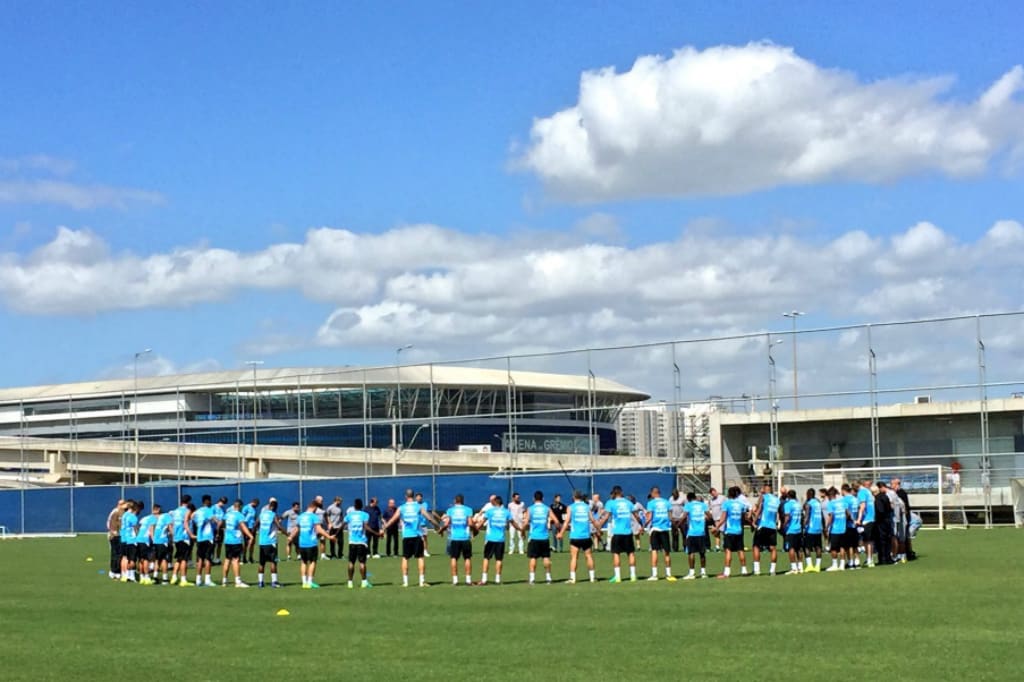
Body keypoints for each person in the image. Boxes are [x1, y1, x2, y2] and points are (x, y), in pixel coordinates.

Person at [382, 489, 439, 587]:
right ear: (413, 496)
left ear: (406, 496)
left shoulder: (401, 508)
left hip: (407, 536)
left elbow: (392, 520)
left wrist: (384, 528)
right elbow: (429, 517)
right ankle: (422, 582)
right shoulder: (418, 506)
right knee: (420, 557)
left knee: (405, 558)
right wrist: (437, 525)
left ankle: (406, 582)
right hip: (417, 535)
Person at [596, 485, 640, 583]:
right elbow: (637, 516)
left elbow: (606, 517)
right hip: (628, 532)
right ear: (621, 492)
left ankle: (618, 576)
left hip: (617, 533)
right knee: (631, 554)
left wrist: (599, 526)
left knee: (616, 554)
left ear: (614, 493)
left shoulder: (610, 503)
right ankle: (633, 576)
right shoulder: (628, 503)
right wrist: (642, 526)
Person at [558, 489, 598, 584]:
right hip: (586, 536)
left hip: (575, 536)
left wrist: (561, 533)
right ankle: (592, 577)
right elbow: (592, 519)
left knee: (574, 557)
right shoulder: (586, 507)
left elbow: (567, 521)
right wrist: (598, 529)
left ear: (573, 497)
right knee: (589, 556)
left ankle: (573, 578)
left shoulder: (570, 507)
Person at [290, 500, 332, 589]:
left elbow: (297, 529)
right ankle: (310, 582)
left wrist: (290, 537)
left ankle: (304, 582)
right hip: (311, 543)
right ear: (315, 507)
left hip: (302, 543)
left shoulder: (300, 516)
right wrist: (329, 536)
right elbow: (319, 529)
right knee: (313, 562)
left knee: (303, 562)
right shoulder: (314, 517)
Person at [476, 495, 517, 585]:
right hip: (500, 539)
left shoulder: (490, 511)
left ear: (495, 502)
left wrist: (475, 530)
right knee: (499, 559)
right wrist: (521, 530)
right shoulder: (506, 512)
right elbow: (513, 523)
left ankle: (484, 579)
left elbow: (481, 523)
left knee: (486, 558)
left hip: (490, 538)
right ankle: (497, 579)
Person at [440, 494, 475, 586]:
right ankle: (468, 580)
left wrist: (441, 530)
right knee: (467, 558)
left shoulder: (450, 510)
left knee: (454, 558)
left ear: (455, 501)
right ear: (463, 501)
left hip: (454, 538)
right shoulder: (468, 509)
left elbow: (447, 523)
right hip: (465, 537)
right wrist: (475, 530)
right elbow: (471, 524)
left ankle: (455, 580)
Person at [714, 486, 749, 578]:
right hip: (739, 530)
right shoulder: (741, 504)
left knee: (728, 551)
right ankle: (744, 570)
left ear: (729, 494)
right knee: (740, 550)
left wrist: (716, 527)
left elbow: (723, 518)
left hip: (729, 531)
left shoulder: (727, 504)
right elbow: (744, 518)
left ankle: (726, 573)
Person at [525, 490, 559, 585]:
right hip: (544, 537)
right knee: (546, 557)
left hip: (534, 537)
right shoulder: (547, 508)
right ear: (543, 499)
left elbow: (526, 522)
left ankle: (532, 579)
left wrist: (522, 531)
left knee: (533, 558)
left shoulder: (530, 509)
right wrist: (559, 531)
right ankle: (548, 577)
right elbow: (556, 520)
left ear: (533, 499)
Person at [344, 498, 377, 589]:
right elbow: (366, 526)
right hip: (361, 542)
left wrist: (334, 534)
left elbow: (343, 525)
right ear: (361, 506)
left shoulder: (349, 515)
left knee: (351, 562)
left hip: (352, 542)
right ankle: (364, 582)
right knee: (362, 562)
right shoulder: (365, 515)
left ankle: (350, 582)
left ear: (354, 506)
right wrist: (376, 533)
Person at [221, 499, 254, 587]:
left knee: (227, 559)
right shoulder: (239, 515)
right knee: (236, 560)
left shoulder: (227, 514)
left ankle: (224, 581)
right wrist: (250, 536)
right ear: (239, 506)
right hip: (235, 540)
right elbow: (243, 526)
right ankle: (238, 581)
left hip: (227, 540)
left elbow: (223, 524)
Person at [645, 486, 675, 581]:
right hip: (665, 529)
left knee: (654, 551)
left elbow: (649, 518)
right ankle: (668, 574)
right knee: (666, 552)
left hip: (655, 529)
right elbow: (670, 517)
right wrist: (674, 525)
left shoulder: (651, 503)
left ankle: (654, 575)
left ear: (653, 493)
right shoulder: (667, 502)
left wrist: (643, 526)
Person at [751, 482, 781, 576]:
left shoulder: (764, 497)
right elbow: (777, 513)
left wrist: (754, 521)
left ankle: (757, 570)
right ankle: (772, 570)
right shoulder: (777, 500)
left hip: (763, 525)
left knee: (756, 546)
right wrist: (777, 522)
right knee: (773, 548)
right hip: (772, 526)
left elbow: (759, 509)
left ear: (764, 488)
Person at [681, 492, 711, 579]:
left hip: (692, 532)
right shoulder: (703, 505)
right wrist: (704, 520)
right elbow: (709, 516)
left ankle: (692, 573)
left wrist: (677, 525)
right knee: (702, 553)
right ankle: (703, 572)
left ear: (689, 499)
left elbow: (684, 517)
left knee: (691, 552)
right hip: (701, 532)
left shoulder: (688, 505)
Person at [257, 498, 283, 588]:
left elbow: (256, 525)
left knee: (261, 563)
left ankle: (260, 582)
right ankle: (274, 582)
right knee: (273, 562)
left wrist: (252, 533)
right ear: (274, 507)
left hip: (262, 542)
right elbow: (279, 526)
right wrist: (288, 534)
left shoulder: (262, 514)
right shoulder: (273, 515)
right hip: (271, 542)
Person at [193, 495, 219, 586]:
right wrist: (219, 525)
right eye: (210, 501)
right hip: (208, 537)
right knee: (208, 559)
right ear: (207, 501)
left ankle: (198, 580)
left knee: (200, 559)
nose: (211, 502)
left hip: (199, 538)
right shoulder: (208, 510)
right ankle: (207, 580)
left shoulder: (197, 512)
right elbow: (215, 520)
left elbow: (194, 521)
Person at [170, 495, 195, 587]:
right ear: (188, 502)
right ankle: (183, 579)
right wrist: (191, 534)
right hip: (184, 537)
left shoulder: (175, 511)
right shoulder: (187, 511)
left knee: (179, 558)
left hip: (177, 537)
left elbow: (171, 524)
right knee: (184, 559)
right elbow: (186, 524)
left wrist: (173, 534)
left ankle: (174, 576)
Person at [825, 487, 852, 571]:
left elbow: (831, 516)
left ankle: (834, 565)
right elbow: (848, 513)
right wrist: (844, 520)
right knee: (842, 547)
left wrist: (827, 526)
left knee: (833, 548)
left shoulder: (830, 504)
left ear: (829, 495)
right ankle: (842, 565)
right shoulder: (842, 502)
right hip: (843, 528)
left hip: (835, 529)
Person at [892, 478, 916, 560]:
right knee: (904, 536)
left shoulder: (900, 493)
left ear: (897, 484)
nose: (891, 486)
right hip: (904, 517)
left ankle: (905, 553)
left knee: (903, 536)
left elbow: (903, 506)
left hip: (904, 517)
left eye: (893, 484)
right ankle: (907, 552)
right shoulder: (900, 492)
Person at [781, 490, 803, 575]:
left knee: (791, 548)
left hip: (791, 529)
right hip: (798, 528)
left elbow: (787, 517)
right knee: (799, 548)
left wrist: (784, 525)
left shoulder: (788, 504)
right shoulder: (798, 504)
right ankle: (800, 567)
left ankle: (794, 568)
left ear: (788, 496)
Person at [151, 503, 174, 584]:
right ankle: (165, 578)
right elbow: (170, 527)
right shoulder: (166, 516)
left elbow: (151, 529)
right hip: (163, 541)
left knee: (157, 559)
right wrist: (174, 536)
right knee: (164, 559)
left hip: (156, 541)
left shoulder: (153, 518)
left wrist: (153, 538)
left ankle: (155, 577)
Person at [802, 488, 823, 572]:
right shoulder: (818, 503)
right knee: (818, 547)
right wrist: (824, 527)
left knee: (807, 547)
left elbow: (807, 516)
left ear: (809, 494)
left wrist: (803, 526)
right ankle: (817, 566)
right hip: (818, 528)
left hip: (811, 529)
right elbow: (821, 515)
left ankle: (809, 565)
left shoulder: (809, 504)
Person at [855, 480, 876, 568]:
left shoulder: (861, 492)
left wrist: (859, 519)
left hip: (866, 519)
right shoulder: (868, 491)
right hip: (872, 518)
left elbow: (862, 506)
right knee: (869, 541)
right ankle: (870, 559)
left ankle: (869, 560)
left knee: (866, 541)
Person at [118, 500, 140, 583]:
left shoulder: (124, 515)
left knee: (124, 557)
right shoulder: (133, 517)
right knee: (132, 559)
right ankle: (131, 576)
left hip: (123, 538)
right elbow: (135, 528)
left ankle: (124, 575)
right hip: (131, 539)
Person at [873, 482, 894, 565]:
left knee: (881, 541)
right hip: (888, 520)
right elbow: (889, 509)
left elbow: (880, 510)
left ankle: (882, 559)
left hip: (881, 522)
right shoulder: (885, 496)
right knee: (888, 539)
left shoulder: (878, 499)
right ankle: (888, 557)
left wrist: (877, 519)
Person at [135, 501, 155, 585]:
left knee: (141, 559)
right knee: (146, 559)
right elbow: (151, 530)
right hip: (144, 540)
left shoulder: (144, 518)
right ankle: (147, 577)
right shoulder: (153, 519)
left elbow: (138, 528)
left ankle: (142, 577)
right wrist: (154, 540)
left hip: (138, 539)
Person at [841, 484, 860, 568]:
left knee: (849, 545)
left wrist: (850, 519)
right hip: (856, 524)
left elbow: (847, 512)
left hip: (848, 525)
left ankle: (851, 562)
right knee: (855, 544)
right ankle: (857, 561)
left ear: (843, 490)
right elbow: (859, 509)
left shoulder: (845, 499)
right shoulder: (855, 499)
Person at [106, 499, 125, 580]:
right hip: (114, 535)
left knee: (119, 554)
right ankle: (113, 571)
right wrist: (113, 532)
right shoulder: (115, 512)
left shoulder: (123, 512)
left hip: (120, 535)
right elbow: (109, 523)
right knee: (115, 554)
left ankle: (118, 571)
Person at [415, 492, 434, 557]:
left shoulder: (425, 504)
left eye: (420, 497)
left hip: (423, 525)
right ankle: (416, 551)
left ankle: (425, 551)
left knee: (425, 538)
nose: (419, 498)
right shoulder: (414, 505)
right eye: (418, 497)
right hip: (416, 525)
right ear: (415, 498)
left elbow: (429, 512)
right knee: (416, 539)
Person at [211, 496, 228, 565]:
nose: (223, 504)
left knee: (219, 544)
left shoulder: (223, 509)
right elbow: (211, 516)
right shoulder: (213, 507)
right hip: (214, 528)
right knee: (213, 544)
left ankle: (217, 559)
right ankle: (211, 558)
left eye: (224, 503)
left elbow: (224, 518)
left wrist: (223, 526)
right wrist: (217, 522)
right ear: (219, 501)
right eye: (222, 502)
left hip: (220, 529)